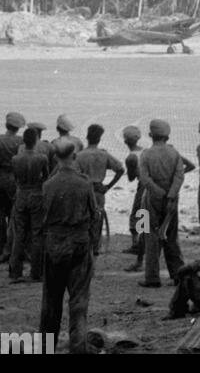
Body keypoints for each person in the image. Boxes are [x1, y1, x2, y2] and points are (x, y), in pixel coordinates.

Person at [39, 138, 95, 353]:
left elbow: (42, 218)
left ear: (55, 157)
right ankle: (78, 347)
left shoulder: (48, 185)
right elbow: (94, 215)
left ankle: (45, 347)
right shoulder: (84, 183)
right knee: (79, 301)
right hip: (79, 244)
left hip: (54, 244)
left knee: (51, 300)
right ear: (74, 156)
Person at [138, 118, 186, 287]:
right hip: (172, 198)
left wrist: (158, 192)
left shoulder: (146, 154)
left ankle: (152, 277)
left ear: (151, 135)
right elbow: (180, 176)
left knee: (151, 237)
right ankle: (178, 274)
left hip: (152, 197)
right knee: (171, 237)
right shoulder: (174, 153)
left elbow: (144, 178)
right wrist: (171, 194)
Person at [9, 125, 50, 282]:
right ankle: (36, 272)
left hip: (21, 194)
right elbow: (46, 178)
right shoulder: (41, 158)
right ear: (35, 141)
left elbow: (16, 179)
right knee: (37, 234)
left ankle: (15, 271)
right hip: (36, 195)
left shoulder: (15, 159)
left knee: (19, 233)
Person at [76, 124, 125, 254]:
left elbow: (74, 174)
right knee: (97, 221)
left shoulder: (80, 155)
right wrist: (108, 186)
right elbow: (120, 169)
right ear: (99, 139)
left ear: (87, 137)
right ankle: (95, 248)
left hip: (83, 191)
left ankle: (85, 248)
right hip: (98, 191)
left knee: (83, 220)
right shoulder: (103, 154)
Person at [0, 111, 24, 263]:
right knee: (14, 214)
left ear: (6, 125)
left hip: (1, 175)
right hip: (15, 177)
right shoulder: (21, 142)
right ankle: (13, 247)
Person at [121, 125, 145, 260]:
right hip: (152, 186)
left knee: (136, 215)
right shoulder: (146, 151)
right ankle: (142, 244)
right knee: (144, 215)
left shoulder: (131, 157)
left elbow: (131, 178)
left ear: (125, 141)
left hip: (142, 186)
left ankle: (137, 245)